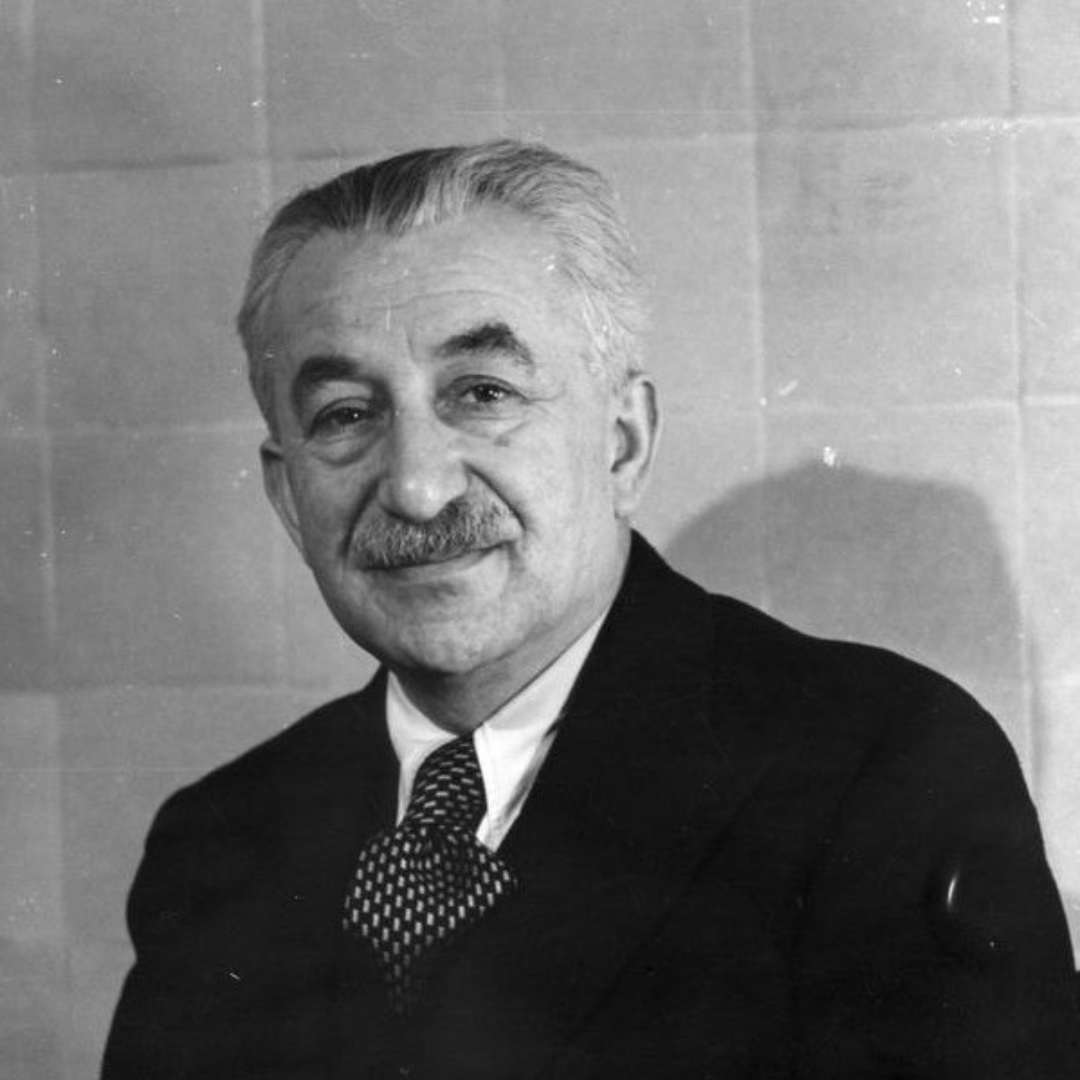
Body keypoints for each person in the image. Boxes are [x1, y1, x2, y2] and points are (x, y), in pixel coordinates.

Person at [102, 140, 1080, 1079]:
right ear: (288, 497)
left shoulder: (879, 773)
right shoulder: (218, 843)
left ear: (621, 446)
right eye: (348, 416)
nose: (418, 488)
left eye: (482, 392)